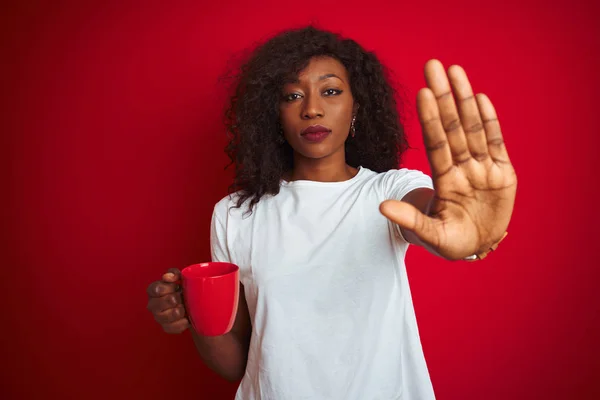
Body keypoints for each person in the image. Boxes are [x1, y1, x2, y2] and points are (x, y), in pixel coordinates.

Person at [146, 26, 517, 400]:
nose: (312, 108)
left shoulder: (388, 189)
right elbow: (235, 364)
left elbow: (431, 214)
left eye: (331, 91)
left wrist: (465, 223)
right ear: (273, 115)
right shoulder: (235, 214)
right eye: (292, 95)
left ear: (357, 106)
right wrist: (193, 314)